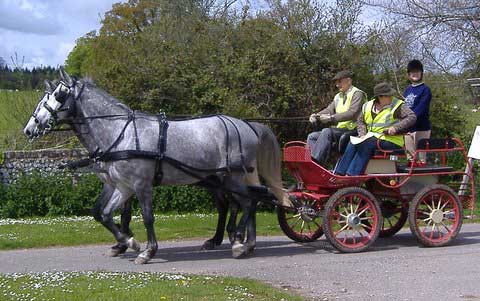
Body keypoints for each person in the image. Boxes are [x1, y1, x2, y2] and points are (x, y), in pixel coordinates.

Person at [335, 82, 416, 176]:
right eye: (388, 95)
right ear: (380, 97)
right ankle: (339, 173)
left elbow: (412, 117)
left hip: (392, 140)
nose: (391, 97)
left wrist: (396, 128)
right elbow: (360, 121)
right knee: (352, 142)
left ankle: (352, 175)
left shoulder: (397, 105)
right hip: (371, 137)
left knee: (367, 144)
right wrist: (362, 134)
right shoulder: (367, 106)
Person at [307, 70, 367, 165]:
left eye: (339, 82)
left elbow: (352, 113)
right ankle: (311, 162)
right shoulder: (338, 96)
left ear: (349, 81)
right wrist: (316, 115)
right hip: (341, 130)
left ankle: (316, 163)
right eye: (336, 82)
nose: (337, 85)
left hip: (355, 130)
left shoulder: (357, 94)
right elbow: (329, 110)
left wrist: (331, 118)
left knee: (327, 131)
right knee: (312, 136)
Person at [403, 59, 432, 166]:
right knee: (410, 158)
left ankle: (422, 180)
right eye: (412, 72)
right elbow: (404, 107)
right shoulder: (407, 90)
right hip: (408, 128)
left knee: (420, 158)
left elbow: (421, 108)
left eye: (417, 71)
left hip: (421, 127)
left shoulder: (425, 90)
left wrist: (409, 119)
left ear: (421, 73)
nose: (415, 74)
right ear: (409, 74)